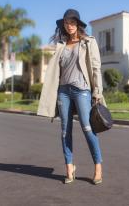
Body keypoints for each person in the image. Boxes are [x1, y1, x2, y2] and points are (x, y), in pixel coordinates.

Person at [37, 9, 106, 185]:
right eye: (66, 23)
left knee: (87, 127)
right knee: (65, 131)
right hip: (63, 91)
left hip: (82, 89)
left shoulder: (88, 42)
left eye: (72, 22)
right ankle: (69, 166)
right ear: (64, 25)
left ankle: (98, 166)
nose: (69, 26)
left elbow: (96, 68)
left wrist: (97, 92)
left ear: (78, 24)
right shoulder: (61, 45)